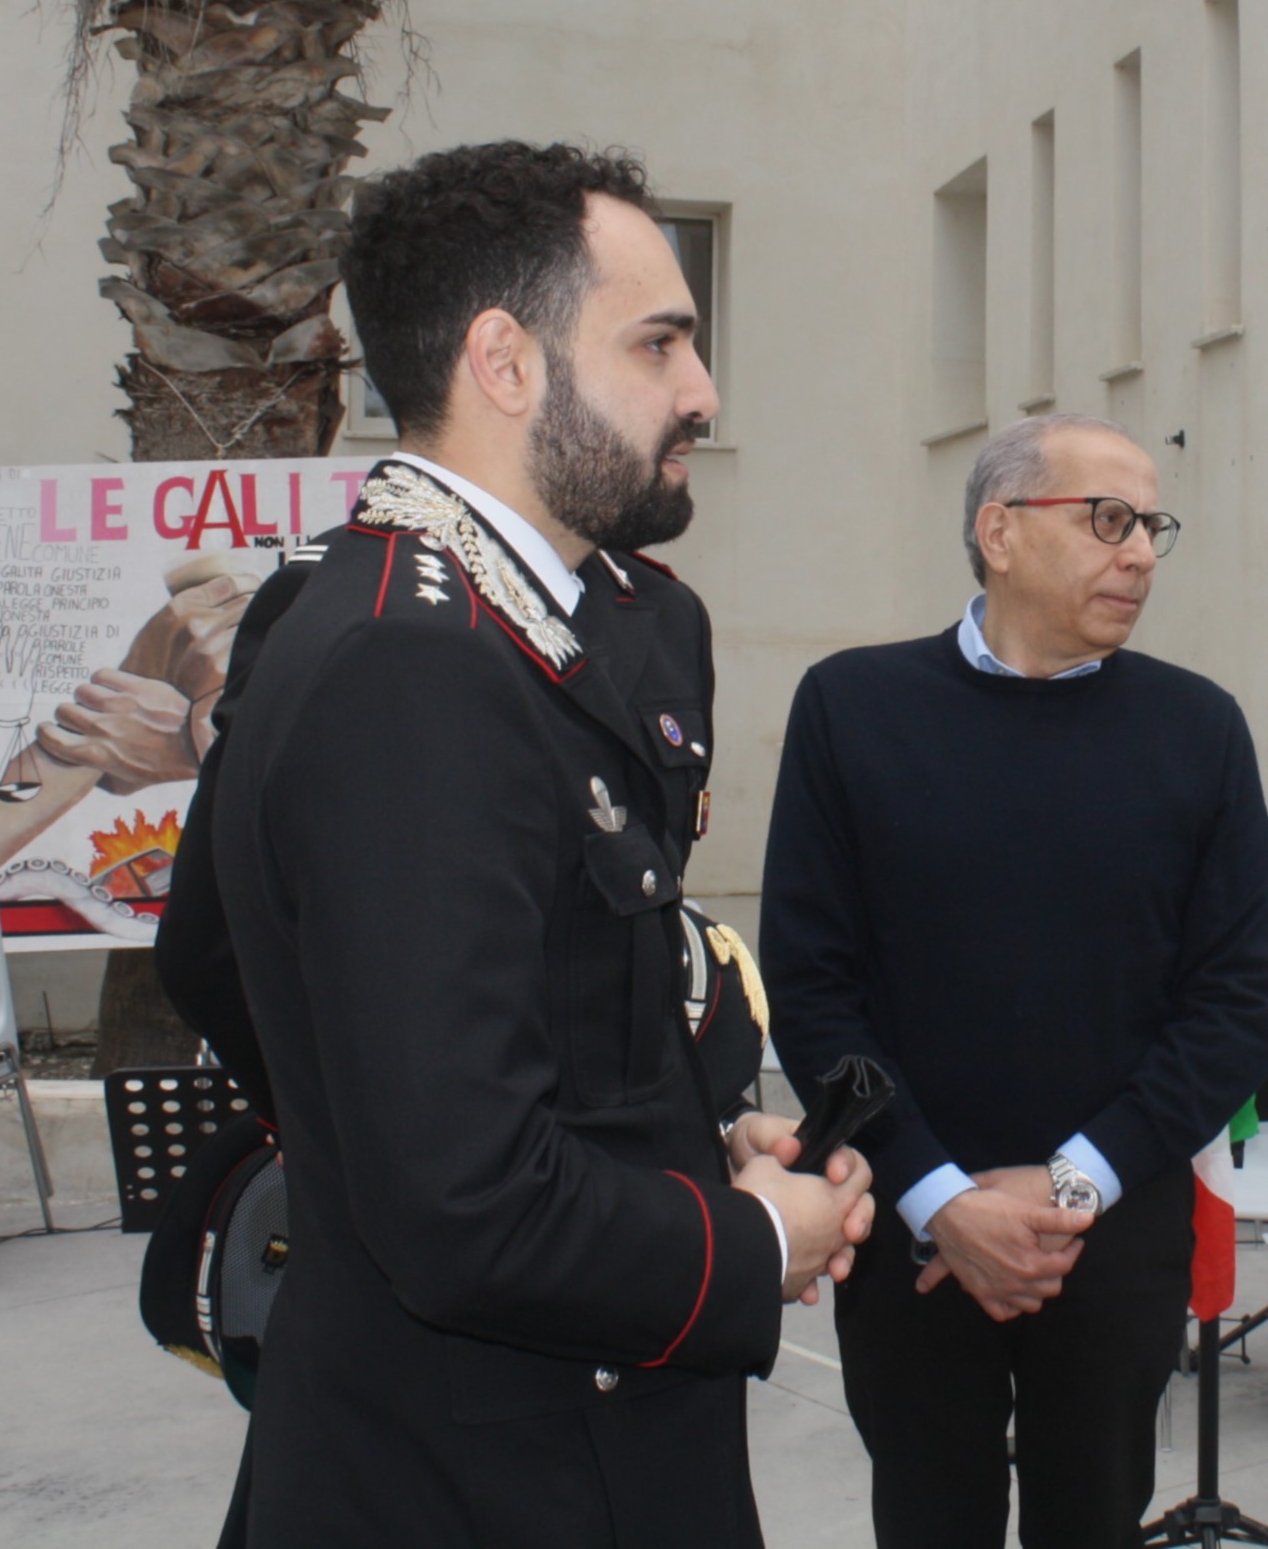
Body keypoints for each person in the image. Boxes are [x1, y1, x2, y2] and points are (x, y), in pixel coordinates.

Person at [210, 140, 873, 1549]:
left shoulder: (506, 628)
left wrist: (687, 1141)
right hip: (486, 1472)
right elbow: (462, 1196)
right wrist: (755, 1238)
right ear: (503, 362)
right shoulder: (413, 665)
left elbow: (521, 1019)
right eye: (658, 343)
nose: (702, 391)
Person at [761, 413, 1268, 1547]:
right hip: (906, 1234)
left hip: (1114, 1227)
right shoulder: (851, 708)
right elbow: (811, 990)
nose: (1140, 552)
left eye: (1151, 526)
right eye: (1109, 520)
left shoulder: (1199, 729)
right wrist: (939, 1197)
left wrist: (1074, 1182)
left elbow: (1240, 1002)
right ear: (998, 533)